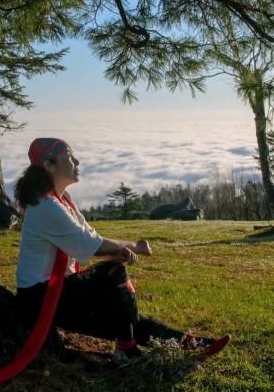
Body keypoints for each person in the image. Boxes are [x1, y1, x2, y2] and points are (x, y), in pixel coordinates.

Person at [14, 137, 229, 365]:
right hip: (40, 298)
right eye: (69, 156)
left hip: (57, 292)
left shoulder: (63, 200)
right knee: (114, 272)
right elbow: (90, 243)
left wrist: (115, 250)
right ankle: (127, 350)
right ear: (49, 165)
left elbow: (89, 237)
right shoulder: (46, 206)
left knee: (125, 319)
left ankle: (192, 344)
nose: (76, 161)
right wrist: (134, 247)